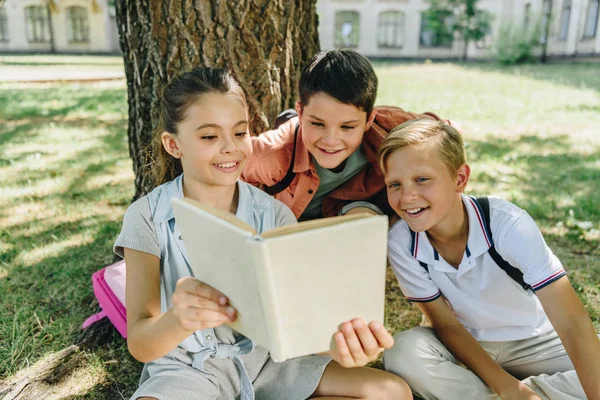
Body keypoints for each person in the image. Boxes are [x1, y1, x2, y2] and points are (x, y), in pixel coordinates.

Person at [114, 67, 412, 400]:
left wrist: (338, 346)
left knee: (389, 392)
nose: (230, 148)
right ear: (173, 144)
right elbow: (140, 343)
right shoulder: (146, 217)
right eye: (209, 137)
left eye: (240, 133)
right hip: (188, 370)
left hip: (272, 364)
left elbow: (298, 318)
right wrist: (179, 319)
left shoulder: (274, 214)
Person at [378, 118, 600, 400]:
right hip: (466, 347)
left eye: (422, 179)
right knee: (402, 353)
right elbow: (446, 325)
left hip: (537, 341)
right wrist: (508, 387)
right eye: (394, 184)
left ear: (460, 179)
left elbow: (572, 323)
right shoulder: (401, 242)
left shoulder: (507, 225)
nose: (407, 196)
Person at [242, 49, 459, 221]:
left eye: (347, 127)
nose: (331, 140)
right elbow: (223, 169)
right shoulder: (272, 154)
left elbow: (447, 131)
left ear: (369, 120)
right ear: (300, 113)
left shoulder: (389, 126)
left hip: (352, 211)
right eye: (317, 124)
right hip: (293, 228)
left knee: (362, 223)